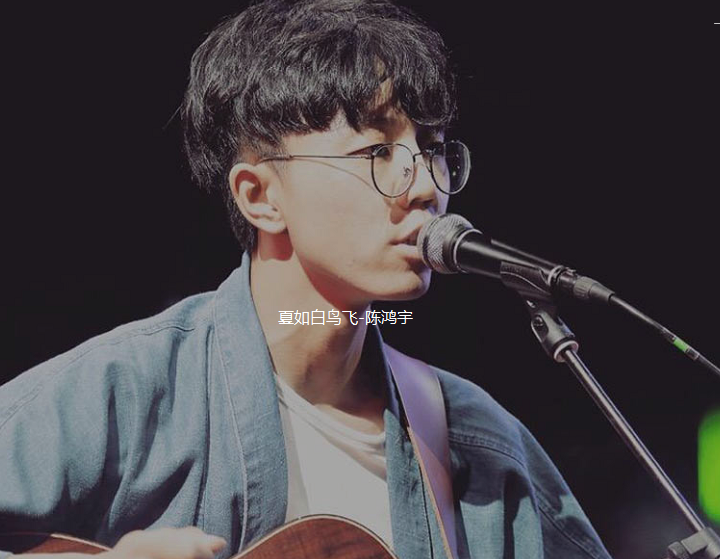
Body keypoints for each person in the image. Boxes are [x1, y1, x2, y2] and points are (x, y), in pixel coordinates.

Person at [0, 1, 612, 558]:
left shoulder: (475, 441)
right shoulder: (128, 394)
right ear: (260, 197)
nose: (427, 187)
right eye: (377, 152)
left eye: (432, 148)